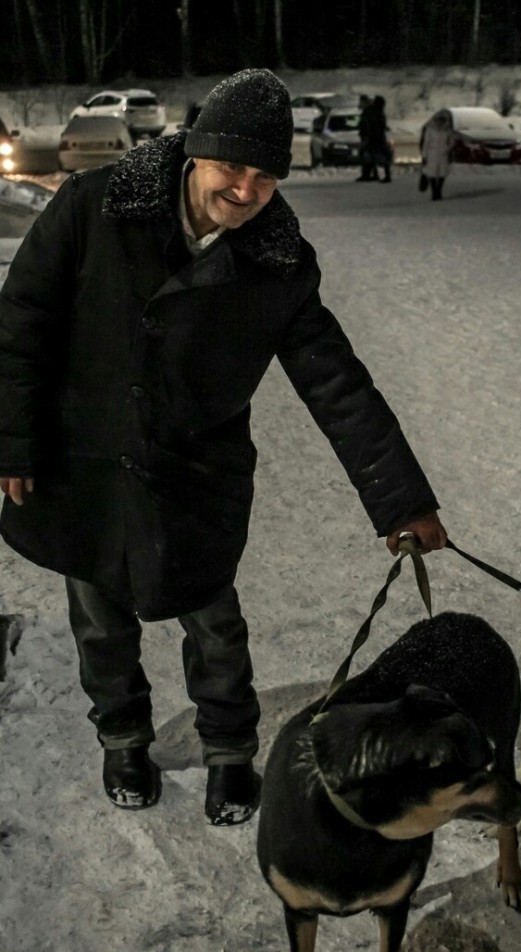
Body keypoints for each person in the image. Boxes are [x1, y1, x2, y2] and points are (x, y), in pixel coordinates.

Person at [0, 69, 447, 828]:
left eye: (266, 176)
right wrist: (11, 439)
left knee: (214, 625)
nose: (246, 190)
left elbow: (337, 385)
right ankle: (123, 737)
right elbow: (20, 324)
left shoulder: (278, 265)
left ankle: (229, 751)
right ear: (194, 154)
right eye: (232, 167)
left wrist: (401, 498)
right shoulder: (92, 207)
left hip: (193, 478)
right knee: (100, 619)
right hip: (87, 463)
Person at [420, 110, 456, 200]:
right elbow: (426, 143)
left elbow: (452, 142)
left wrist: (447, 149)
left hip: (443, 155)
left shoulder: (447, 130)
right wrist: (424, 156)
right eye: (439, 119)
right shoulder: (430, 130)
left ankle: (439, 190)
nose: (440, 121)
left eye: (442, 119)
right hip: (432, 154)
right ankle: (434, 192)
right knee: (432, 174)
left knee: (442, 174)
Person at [361, 95, 393, 183]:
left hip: (372, 137)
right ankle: (385, 175)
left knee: (370, 156)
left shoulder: (370, 111)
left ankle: (369, 175)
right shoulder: (378, 112)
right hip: (378, 137)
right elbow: (378, 125)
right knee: (382, 157)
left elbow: (367, 124)